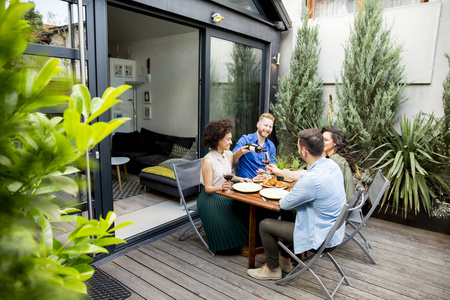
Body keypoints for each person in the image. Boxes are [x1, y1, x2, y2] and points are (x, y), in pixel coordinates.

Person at [247, 128, 346, 280]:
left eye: (298, 147)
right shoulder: (331, 166)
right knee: (290, 213)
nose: (298, 150)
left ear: (304, 151)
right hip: (333, 231)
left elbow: (285, 203)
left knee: (265, 225)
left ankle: (272, 270)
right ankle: (285, 261)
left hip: (320, 237)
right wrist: (280, 172)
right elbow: (303, 174)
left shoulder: (311, 180)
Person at [197, 118, 252, 253]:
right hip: (210, 197)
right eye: (228, 139)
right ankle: (236, 242)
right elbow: (208, 188)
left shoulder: (227, 154)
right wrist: (221, 187)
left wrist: (240, 179)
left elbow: (228, 175)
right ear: (218, 140)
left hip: (225, 191)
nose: (231, 142)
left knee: (245, 204)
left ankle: (247, 239)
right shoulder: (208, 160)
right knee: (235, 205)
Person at [232, 113, 276, 179]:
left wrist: (266, 173)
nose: (267, 129)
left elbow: (272, 169)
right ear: (258, 124)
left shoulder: (271, 146)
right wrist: (240, 152)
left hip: (262, 184)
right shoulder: (245, 140)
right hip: (244, 184)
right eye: (265, 125)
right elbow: (231, 160)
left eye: (270, 127)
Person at [321, 126, 356, 201]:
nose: (322, 142)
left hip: (343, 207)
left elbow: (323, 184)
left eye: (326, 140)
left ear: (335, 142)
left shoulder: (335, 161)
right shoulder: (336, 158)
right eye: (321, 139)